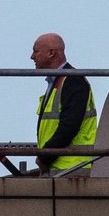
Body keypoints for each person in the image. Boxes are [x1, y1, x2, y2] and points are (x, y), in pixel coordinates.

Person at [31, 33, 99, 176]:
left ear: (51, 53)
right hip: (61, 169)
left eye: (36, 51)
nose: (32, 56)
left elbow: (69, 126)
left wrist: (45, 157)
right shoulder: (62, 81)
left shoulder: (73, 81)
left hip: (72, 171)